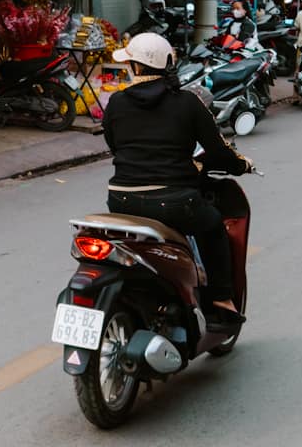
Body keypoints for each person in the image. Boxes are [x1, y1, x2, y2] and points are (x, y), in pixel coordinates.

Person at [101, 32, 251, 316]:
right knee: (213, 227)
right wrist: (241, 165)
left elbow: (114, 146)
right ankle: (221, 298)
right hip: (174, 203)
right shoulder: (187, 102)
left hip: (121, 200)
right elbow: (218, 151)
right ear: (167, 65)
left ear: (135, 68)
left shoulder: (117, 103)